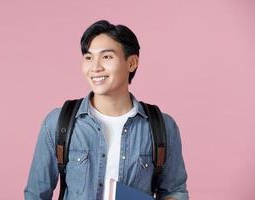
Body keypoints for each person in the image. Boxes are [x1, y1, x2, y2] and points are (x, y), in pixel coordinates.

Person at [24, 20, 189, 200]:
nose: (95, 67)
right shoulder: (58, 122)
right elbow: (36, 195)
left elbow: (174, 191)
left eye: (106, 57)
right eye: (88, 58)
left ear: (132, 63)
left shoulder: (162, 127)